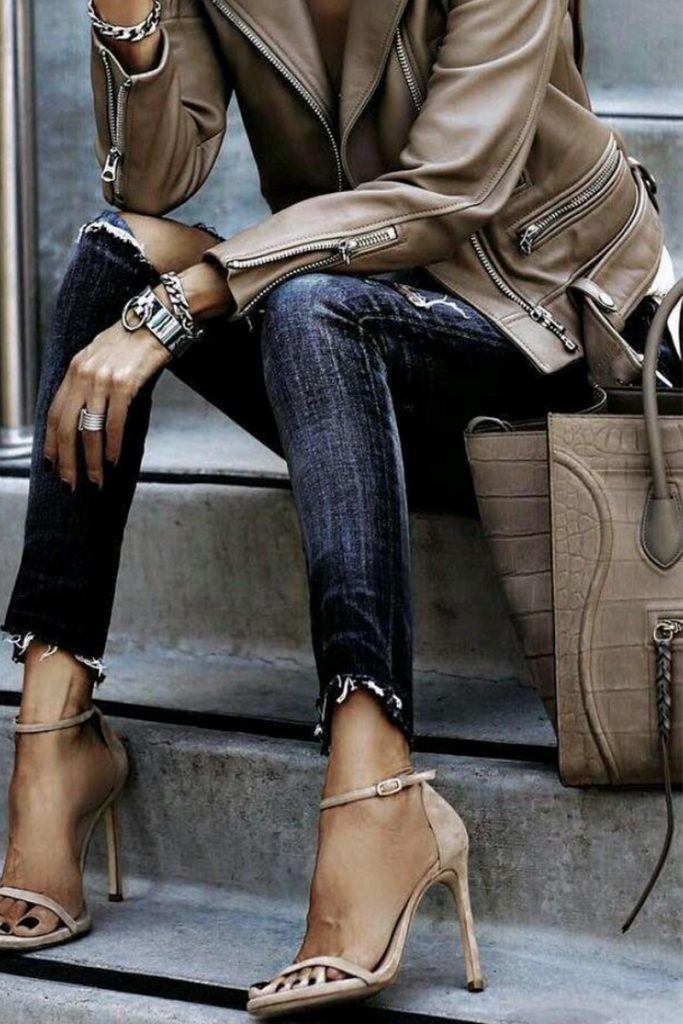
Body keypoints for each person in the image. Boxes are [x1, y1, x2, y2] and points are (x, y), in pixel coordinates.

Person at [0, 1, 676, 1017]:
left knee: (306, 305)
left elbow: (450, 188)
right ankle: (56, 746)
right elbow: (155, 183)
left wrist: (180, 305)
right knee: (115, 257)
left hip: (542, 336)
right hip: (350, 317)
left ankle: (377, 785)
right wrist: (130, 21)